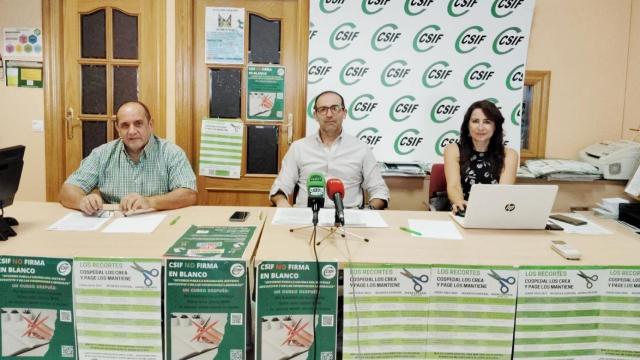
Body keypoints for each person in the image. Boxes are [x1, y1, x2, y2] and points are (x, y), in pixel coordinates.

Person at [59, 101, 197, 215]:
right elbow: (67, 190)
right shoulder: (102, 154)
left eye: (138, 124)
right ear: (117, 128)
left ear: (150, 124)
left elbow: (189, 194)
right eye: (125, 125)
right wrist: (83, 201)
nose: (131, 131)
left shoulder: (171, 153)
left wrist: (150, 202)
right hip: (114, 225)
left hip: (158, 221)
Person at [269, 90, 389, 209]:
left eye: (335, 108)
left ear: (344, 113)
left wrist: (369, 211)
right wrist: (282, 203)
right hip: (306, 217)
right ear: (315, 115)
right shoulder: (298, 147)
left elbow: (380, 191)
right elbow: (279, 188)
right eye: (323, 109)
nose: (329, 114)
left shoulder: (361, 149)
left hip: (349, 218)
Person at [444, 100, 518, 213]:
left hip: (493, 213)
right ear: (467, 125)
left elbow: (503, 193)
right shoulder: (453, 150)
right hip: (461, 210)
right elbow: (454, 186)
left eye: (487, 122)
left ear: (495, 127)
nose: (480, 127)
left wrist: (484, 212)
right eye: (475, 121)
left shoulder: (509, 155)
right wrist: (460, 203)